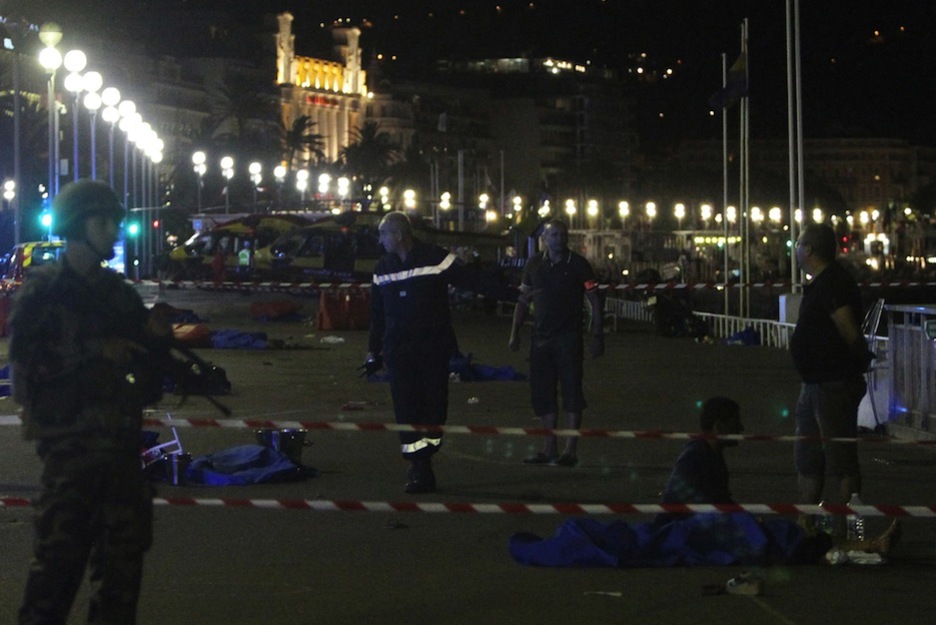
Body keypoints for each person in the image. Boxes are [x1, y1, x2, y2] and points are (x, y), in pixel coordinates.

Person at [10, 179, 171, 625]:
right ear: (79, 226)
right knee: (53, 582)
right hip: (69, 455)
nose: (114, 231)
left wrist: (156, 343)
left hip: (120, 453)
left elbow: (150, 380)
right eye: (105, 222)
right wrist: (93, 350)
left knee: (120, 584)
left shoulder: (118, 294)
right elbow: (24, 369)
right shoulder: (44, 291)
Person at [510, 397, 900, 568]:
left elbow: (721, 506)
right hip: (685, 531)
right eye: (736, 422)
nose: (744, 429)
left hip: (701, 526)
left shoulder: (708, 455)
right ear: (719, 426)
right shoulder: (697, 458)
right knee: (780, 538)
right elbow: (709, 512)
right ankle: (863, 546)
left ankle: (862, 546)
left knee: (780, 534)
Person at [365, 211, 469, 494]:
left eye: (383, 234)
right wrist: (373, 352)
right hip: (398, 351)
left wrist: (513, 293)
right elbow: (377, 316)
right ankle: (418, 467)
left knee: (435, 405)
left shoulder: (435, 258)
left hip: (433, 348)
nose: (380, 240)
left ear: (398, 235)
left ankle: (430, 444)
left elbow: (470, 279)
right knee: (406, 408)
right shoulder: (382, 269)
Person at [790, 223, 874, 534]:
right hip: (815, 383)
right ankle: (807, 526)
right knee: (809, 459)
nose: (795, 249)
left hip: (832, 384)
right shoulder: (824, 282)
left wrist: (858, 361)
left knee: (841, 462)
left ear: (809, 249)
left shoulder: (833, 284)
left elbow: (849, 328)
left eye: (798, 244)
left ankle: (849, 531)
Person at [508, 219, 604, 467]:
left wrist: (597, 335)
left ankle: (570, 450)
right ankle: (549, 447)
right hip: (540, 339)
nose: (559, 239)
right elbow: (522, 300)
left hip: (569, 338)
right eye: (554, 235)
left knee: (572, 391)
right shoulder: (534, 264)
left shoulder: (579, 265)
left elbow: (594, 300)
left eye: (563, 235)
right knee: (543, 393)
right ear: (545, 238)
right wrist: (514, 333)